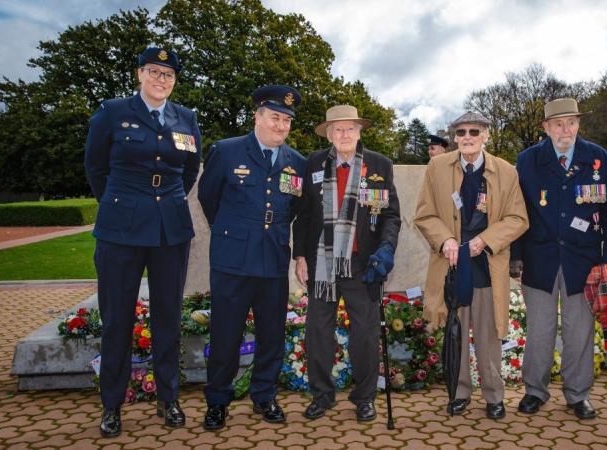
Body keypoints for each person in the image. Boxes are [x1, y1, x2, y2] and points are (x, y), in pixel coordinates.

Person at [84, 47, 201, 438]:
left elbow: (188, 170)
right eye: (154, 71)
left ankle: (168, 399)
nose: (160, 79)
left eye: (168, 75)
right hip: (121, 228)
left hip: (170, 228)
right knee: (118, 318)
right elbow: (96, 167)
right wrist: (123, 202)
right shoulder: (113, 112)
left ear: (174, 81)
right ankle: (112, 405)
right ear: (139, 74)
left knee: (167, 316)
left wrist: (165, 200)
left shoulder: (186, 119)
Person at [198, 85, 308, 429]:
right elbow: (209, 200)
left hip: (273, 260)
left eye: (287, 120)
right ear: (258, 116)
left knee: (272, 334)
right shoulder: (227, 151)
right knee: (225, 334)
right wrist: (238, 230)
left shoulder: (297, 163)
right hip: (232, 260)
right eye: (275, 117)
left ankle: (264, 396)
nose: (281, 125)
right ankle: (217, 401)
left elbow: (296, 211)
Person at [510, 98, 607, 420]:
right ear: (545, 128)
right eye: (558, 124)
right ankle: (535, 391)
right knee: (540, 331)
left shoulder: (600, 159)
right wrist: (516, 258)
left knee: (580, 331)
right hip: (538, 260)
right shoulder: (528, 161)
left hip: (584, 263)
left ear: (578, 124)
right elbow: (517, 212)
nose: (566, 130)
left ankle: (577, 395)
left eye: (571, 122)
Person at [415, 111, 528, 420]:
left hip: (488, 265)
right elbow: (424, 214)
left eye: (474, 132)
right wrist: (446, 239)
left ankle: (494, 396)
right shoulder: (437, 168)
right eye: (461, 132)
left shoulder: (506, 172)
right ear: (454, 137)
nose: (467, 137)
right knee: (456, 332)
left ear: (486, 136)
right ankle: (460, 392)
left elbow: (518, 218)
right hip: (452, 266)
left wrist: (486, 240)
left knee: (490, 335)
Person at [293, 105, 401, 422]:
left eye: (350, 129)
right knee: (318, 333)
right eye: (337, 129)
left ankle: (365, 397)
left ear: (359, 131)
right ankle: (322, 396)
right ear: (329, 134)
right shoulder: (312, 163)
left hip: (363, 264)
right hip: (322, 264)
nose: (344, 135)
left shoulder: (379, 165)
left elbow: (391, 216)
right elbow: (303, 216)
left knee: (365, 335)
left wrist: (386, 250)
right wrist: (300, 255)